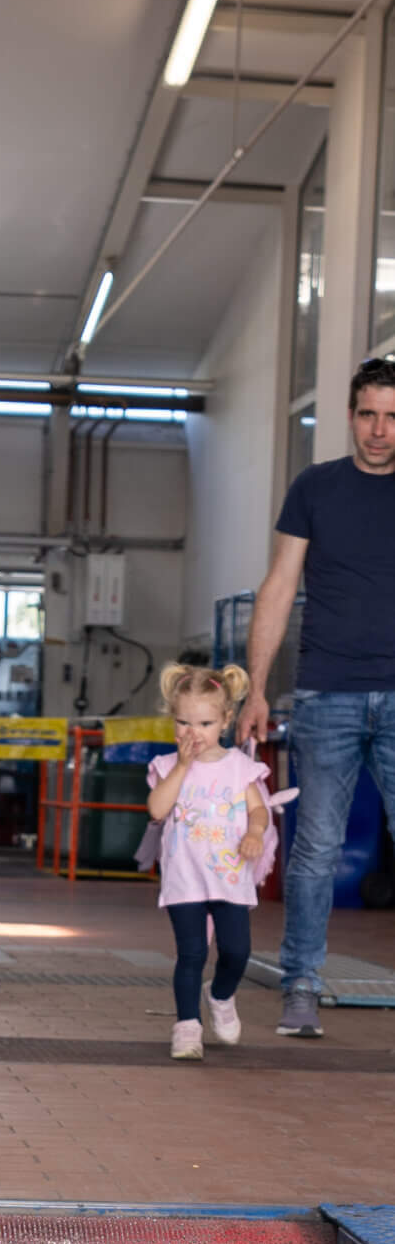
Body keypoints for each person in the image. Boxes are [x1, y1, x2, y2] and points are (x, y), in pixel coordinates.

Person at [241, 353, 395, 1039]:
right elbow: (278, 588)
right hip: (325, 692)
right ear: (350, 416)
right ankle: (301, 984)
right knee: (316, 848)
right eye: (368, 414)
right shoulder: (315, 488)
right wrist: (256, 689)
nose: (380, 430)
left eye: (393, 417)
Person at [145, 664, 273, 1061]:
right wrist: (183, 768)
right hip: (185, 880)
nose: (192, 732)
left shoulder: (239, 767)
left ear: (225, 720)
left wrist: (254, 833)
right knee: (192, 954)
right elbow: (156, 810)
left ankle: (219, 995)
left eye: (203, 722)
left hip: (230, 878)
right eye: (183, 722)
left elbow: (258, 811)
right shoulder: (168, 766)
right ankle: (187, 1027)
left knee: (236, 952)